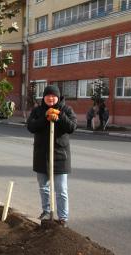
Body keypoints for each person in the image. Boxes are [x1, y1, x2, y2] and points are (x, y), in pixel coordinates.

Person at [27, 85, 77, 227]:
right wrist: (45, 117)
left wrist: (59, 115)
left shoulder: (66, 110)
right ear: (44, 97)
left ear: (58, 97)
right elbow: (31, 127)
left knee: (61, 190)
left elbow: (72, 127)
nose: (50, 98)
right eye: (47, 95)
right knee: (44, 187)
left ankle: (63, 217)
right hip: (41, 155)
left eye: (53, 96)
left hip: (60, 156)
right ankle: (47, 211)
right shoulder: (37, 111)